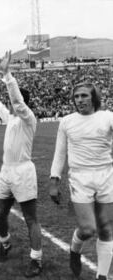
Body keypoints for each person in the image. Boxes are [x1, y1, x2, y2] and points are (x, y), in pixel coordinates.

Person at [0, 51, 43, 277]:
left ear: (23, 104)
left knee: (30, 218)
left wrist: (7, 74)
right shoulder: (11, 118)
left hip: (24, 171)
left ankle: (36, 259)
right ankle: (5, 243)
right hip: (6, 172)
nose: (12, 105)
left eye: (16, 103)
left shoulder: (28, 118)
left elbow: (16, 100)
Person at [50, 82, 113, 280]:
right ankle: (75, 249)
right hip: (80, 178)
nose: (80, 100)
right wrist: (54, 180)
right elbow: (60, 153)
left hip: (106, 175)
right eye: (76, 97)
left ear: (94, 97)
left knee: (106, 228)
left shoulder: (107, 117)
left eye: (84, 95)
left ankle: (102, 275)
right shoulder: (67, 121)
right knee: (88, 229)